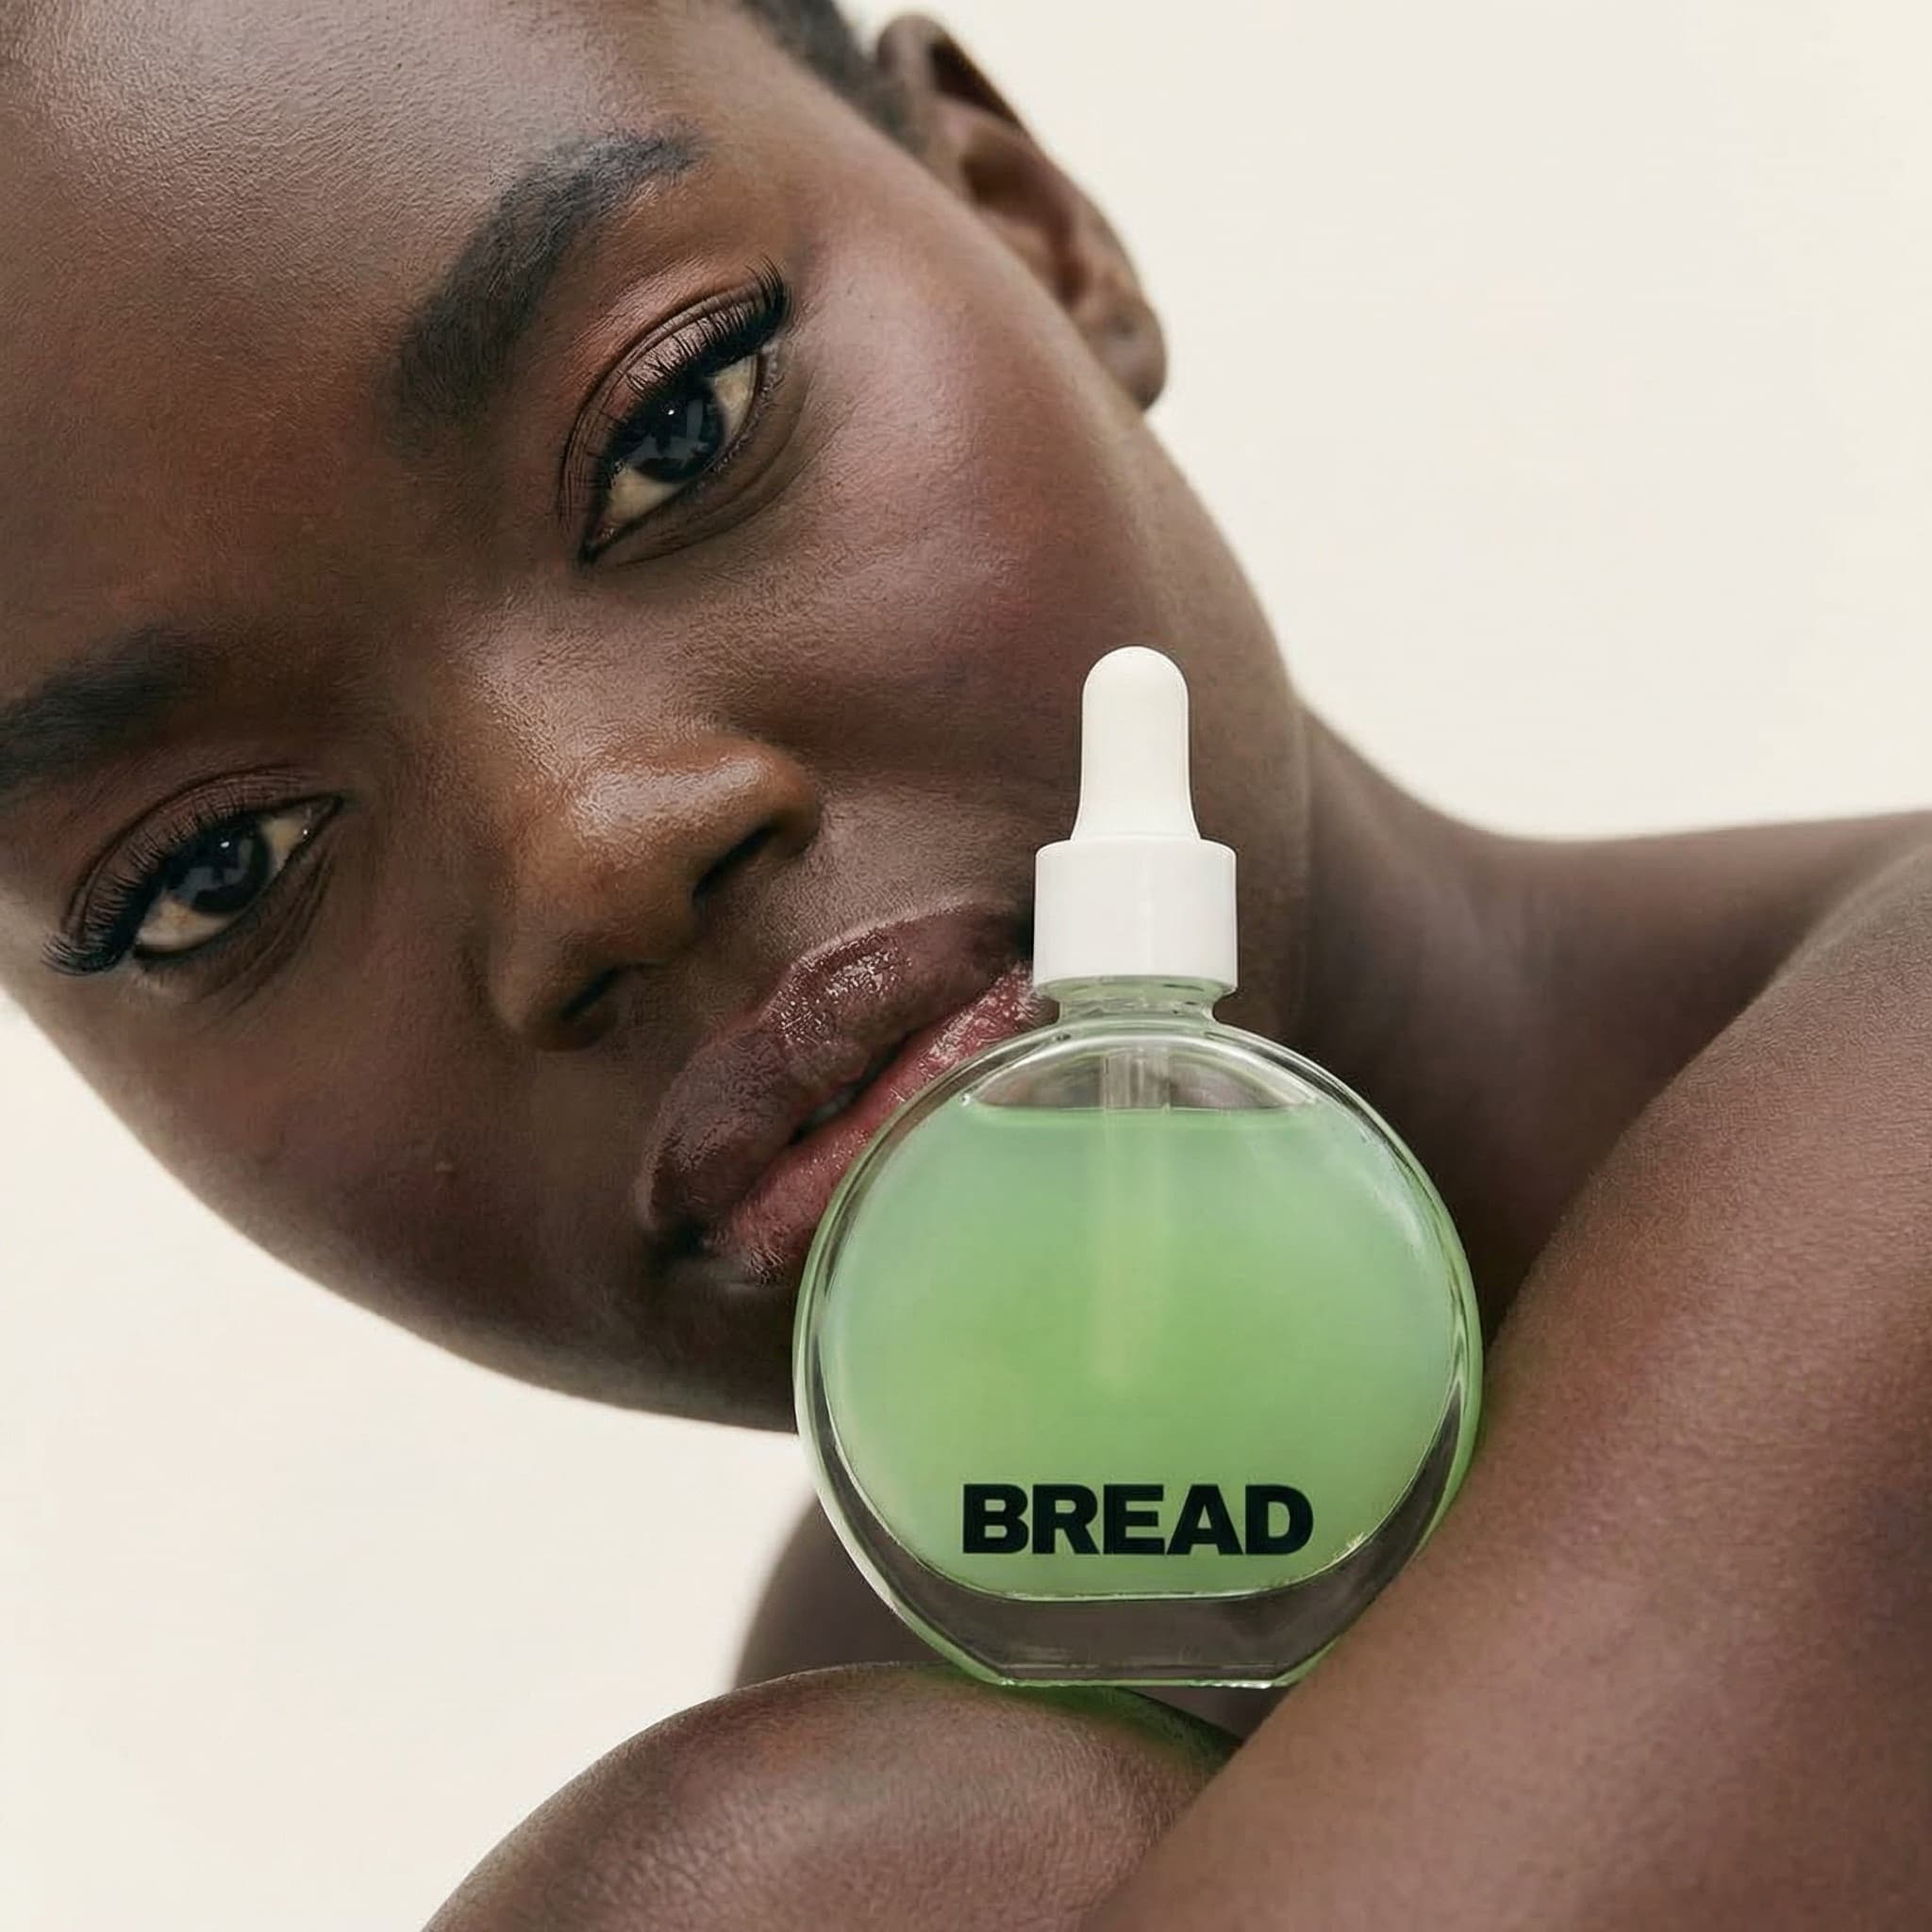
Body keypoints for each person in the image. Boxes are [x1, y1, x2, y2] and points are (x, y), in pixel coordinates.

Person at [3, 0, 1927, 1924]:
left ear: (1027, 220)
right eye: (211, 871)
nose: (598, 849)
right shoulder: (909, 1661)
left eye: (682, 419)